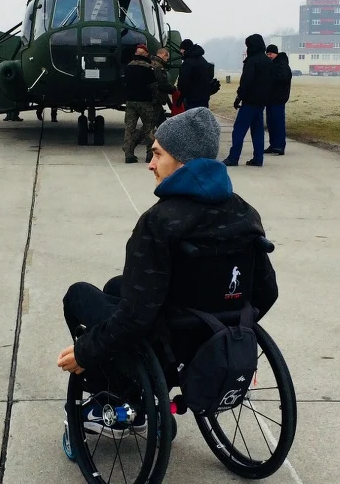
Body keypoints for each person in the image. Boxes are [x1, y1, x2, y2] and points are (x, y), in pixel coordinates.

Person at [57, 107, 278, 431]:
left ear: (183, 161)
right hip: (213, 336)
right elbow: (266, 292)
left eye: (157, 154)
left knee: (78, 295)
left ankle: (122, 399)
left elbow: (135, 318)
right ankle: (132, 389)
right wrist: (227, 321)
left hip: (165, 342)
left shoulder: (159, 222)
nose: (150, 163)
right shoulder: (244, 212)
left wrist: (85, 352)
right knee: (116, 287)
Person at [223, 34, 274, 167]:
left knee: (239, 130)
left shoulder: (252, 61)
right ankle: (258, 158)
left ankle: (233, 158)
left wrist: (239, 96)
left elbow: (246, 81)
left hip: (249, 101)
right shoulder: (268, 61)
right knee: (258, 131)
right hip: (262, 101)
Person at [121, 43, 162, 164]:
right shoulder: (148, 68)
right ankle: (149, 155)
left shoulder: (128, 67)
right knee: (148, 128)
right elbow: (153, 86)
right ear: (145, 54)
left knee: (129, 128)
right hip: (145, 102)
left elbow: (125, 83)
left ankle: (128, 154)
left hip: (130, 102)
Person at [264, 43, 292, 156]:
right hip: (270, 98)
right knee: (271, 123)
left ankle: (280, 146)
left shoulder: (282, 65)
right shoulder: (274, 64)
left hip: (278, 98)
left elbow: (283, 78)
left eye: (270, 54)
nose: (269, 56)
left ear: (276, 53)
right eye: (267, 54)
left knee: (278, 122)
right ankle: (273, 144)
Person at [177, 41, 215, 110]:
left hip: (191, 100)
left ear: (184, 49)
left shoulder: (187, 63)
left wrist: (180, 98)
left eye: (181, 49)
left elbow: (183, 82)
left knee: (191, 119)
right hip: (204, 98)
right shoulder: (203, 60)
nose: (180, 52)